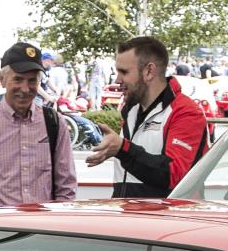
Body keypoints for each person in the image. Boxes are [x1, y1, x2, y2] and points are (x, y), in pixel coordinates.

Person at [0, 40, 77, 209]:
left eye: (32, 81)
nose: (25, 89)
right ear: (2, 79)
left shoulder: (54, 123)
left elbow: (66, 186)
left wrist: (58, 219)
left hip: (42, 224)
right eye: (18, 79)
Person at [86, 36, 209, 197]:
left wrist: (123, 149)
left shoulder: (185, 112)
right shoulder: (131, 110)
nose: (117, 79)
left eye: (124, 72)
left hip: (169, 213)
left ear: (149, 71)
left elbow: (174, 174)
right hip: (130, 212)